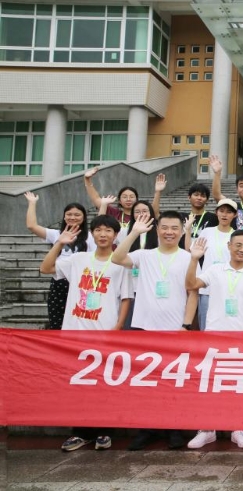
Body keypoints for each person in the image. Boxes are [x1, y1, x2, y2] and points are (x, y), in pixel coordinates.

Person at [39, 215, 132, 452]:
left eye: (108, 230)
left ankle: (104, 431)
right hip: (75, 334)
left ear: (116, 235)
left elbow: (125, 298)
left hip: (105, 333)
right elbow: (46, 268)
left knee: (104, 383)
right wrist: (59, 243)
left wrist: (118, 327)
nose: (103, 234)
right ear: (92, 234)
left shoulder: (120, 263)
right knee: (78, 384)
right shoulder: (78, 259)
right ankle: (80, 432)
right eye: (98, 230)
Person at [111, 210, 198, 451]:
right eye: (165, 227)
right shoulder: (145, 255)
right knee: (145, 382)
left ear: (181, 231)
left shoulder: (188, 258)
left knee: (173, 382)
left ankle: (173, 429)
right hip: (145, 328)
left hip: (175, 330)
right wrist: (134, 233)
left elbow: (193, 293)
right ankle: (146, 429)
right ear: (157, 229)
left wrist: (186, 325)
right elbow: (117, 258)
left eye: (174, 228)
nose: (169, 232)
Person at [184, 229, 243, 449]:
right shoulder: (215, 269)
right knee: (210, 383)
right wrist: (194, 259)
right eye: (238, 245)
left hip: (241, 338)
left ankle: (238, 427)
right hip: (214, 336)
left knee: (238, 384)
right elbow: (191, 285)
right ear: (229, 246)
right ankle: (206, 429)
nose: (242, 250)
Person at [24, 192, 95, 330]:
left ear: (84, 217)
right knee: (57, 323)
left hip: (83, 284)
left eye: (77, 214)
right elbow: (32, 226)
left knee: (82, 323)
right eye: (69, 214)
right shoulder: (56, 234)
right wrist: (32, 203)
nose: (72, 217)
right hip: (59, 282)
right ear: (64, 216)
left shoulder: (91, 237)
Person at [185, 199, 238, 330]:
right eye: (221, 211)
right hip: (207, 287)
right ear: (216, 212)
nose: (224, 215)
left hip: (229, 288)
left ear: (235, 215)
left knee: (228, 326)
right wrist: (188, 230)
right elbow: (190, 250)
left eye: (229, 212)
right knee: (206, 326)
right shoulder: (207, 232)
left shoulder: (236, 235)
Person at [118, 200, 159, 329]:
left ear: (151, 213)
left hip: (151, 284)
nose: (141, 214)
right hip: (130, 283)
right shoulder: (125, 231)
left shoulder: (158, 231)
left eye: (145, 211)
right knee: (130, 323)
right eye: (137, 212)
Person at [83, 166, 138, 242]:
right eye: (124, 197)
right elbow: (96, 198)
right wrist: (87, 179)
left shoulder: (141, 215)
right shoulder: (113, 212)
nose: (128, 199)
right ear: (119, 201)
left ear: (137, 199)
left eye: (131, 197)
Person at [163, 182, 219, 248]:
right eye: (196, 195)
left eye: (203, 196)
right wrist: (158, 192)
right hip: (183, 253)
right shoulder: (181, 217)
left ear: (207, 200)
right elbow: (157, 216)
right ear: (189, 197)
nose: (199, 198)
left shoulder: (214, 218)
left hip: (205, 253)